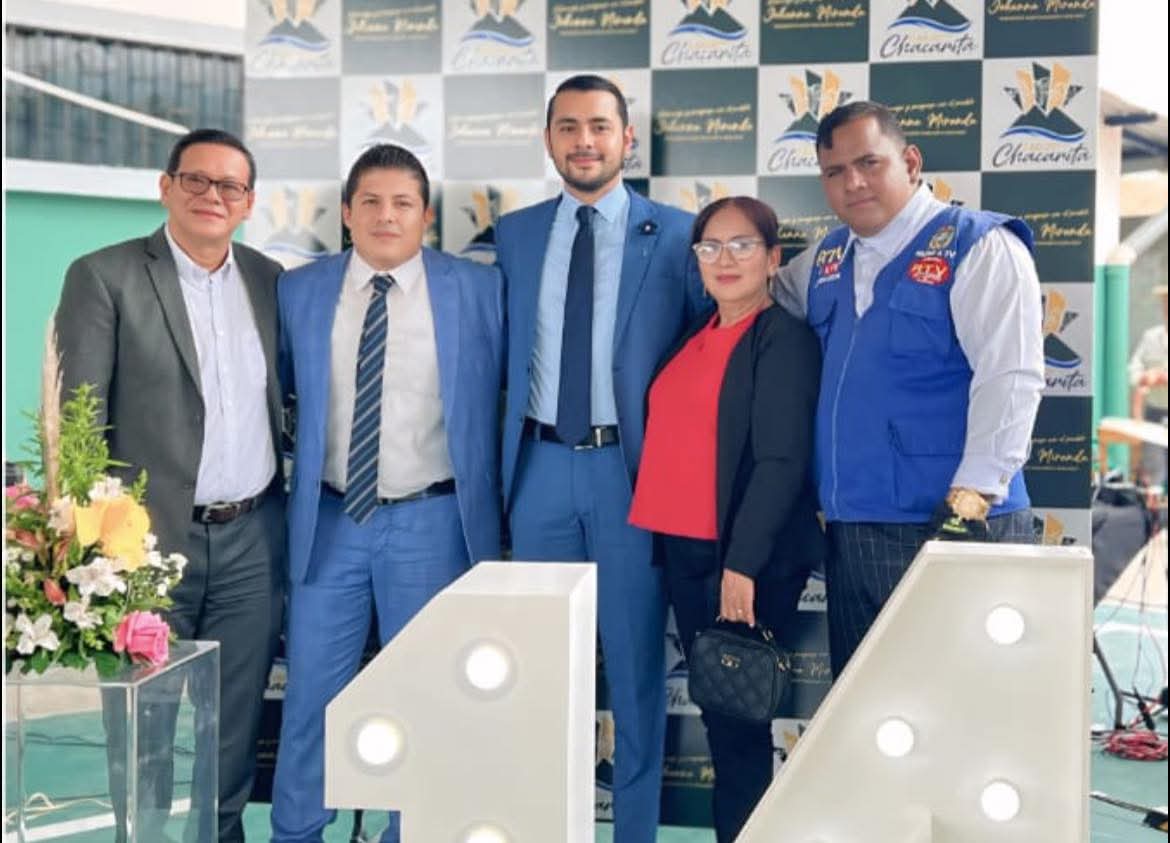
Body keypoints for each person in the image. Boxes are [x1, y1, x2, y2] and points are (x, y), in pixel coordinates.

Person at [56, 128, 286, 841]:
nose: (213, 195)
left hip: (252, 540)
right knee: (143, 728)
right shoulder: (105, 275)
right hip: (145, 548)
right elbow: (79, 427)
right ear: (166, 186)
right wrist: (95, 554)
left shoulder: (271, 280)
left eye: (230, 185)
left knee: (235, 726)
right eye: (197, 180)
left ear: (248, 202)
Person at [494, 74, 708, 842]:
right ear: (549, 139)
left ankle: (634, 833)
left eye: (599, 126)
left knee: (637, 668)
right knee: (543, 671)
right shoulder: (514, 235)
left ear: (627, 139)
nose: (584, 141)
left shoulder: (678, 234)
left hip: (631, 476)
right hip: (538, 470)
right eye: (568, 126)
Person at [270, 143, 504, 843]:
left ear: (426, 216)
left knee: (426, 698)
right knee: (312, 696)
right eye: (369, 201)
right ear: (346, 213)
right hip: (331, 518)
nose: (386, 215)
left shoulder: (479, 290)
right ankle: (297, 832)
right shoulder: (297, 291)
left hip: (433, 521)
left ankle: (415, 832)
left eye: (403, 202)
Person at [773, 101, 1044, 677]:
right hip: (853, 531)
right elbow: (757, 299)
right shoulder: (824, 259)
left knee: (965, 701)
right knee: (868, 705)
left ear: (911, 162)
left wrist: (970, 503)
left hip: (954, 525)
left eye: (869, 163)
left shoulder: (980, 245)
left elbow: (1011, 378)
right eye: (835, 172)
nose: (853, 182)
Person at [629, 196, 824, 843]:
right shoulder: (698, 329)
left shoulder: (783, 338)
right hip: (685, 551)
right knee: (720, 719)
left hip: (743, 559)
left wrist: (742, 566)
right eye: (710, 246)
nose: (725, 258)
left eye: (743, 245)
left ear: (773, 258)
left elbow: (780, 460)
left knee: (738, 730)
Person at [1127, 284, 1168, 489]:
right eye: (1166, 303)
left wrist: (1163, 377)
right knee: (1154, 473)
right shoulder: (1151, 337)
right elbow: (1134, 368)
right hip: (1154, 414)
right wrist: (1144, 377)